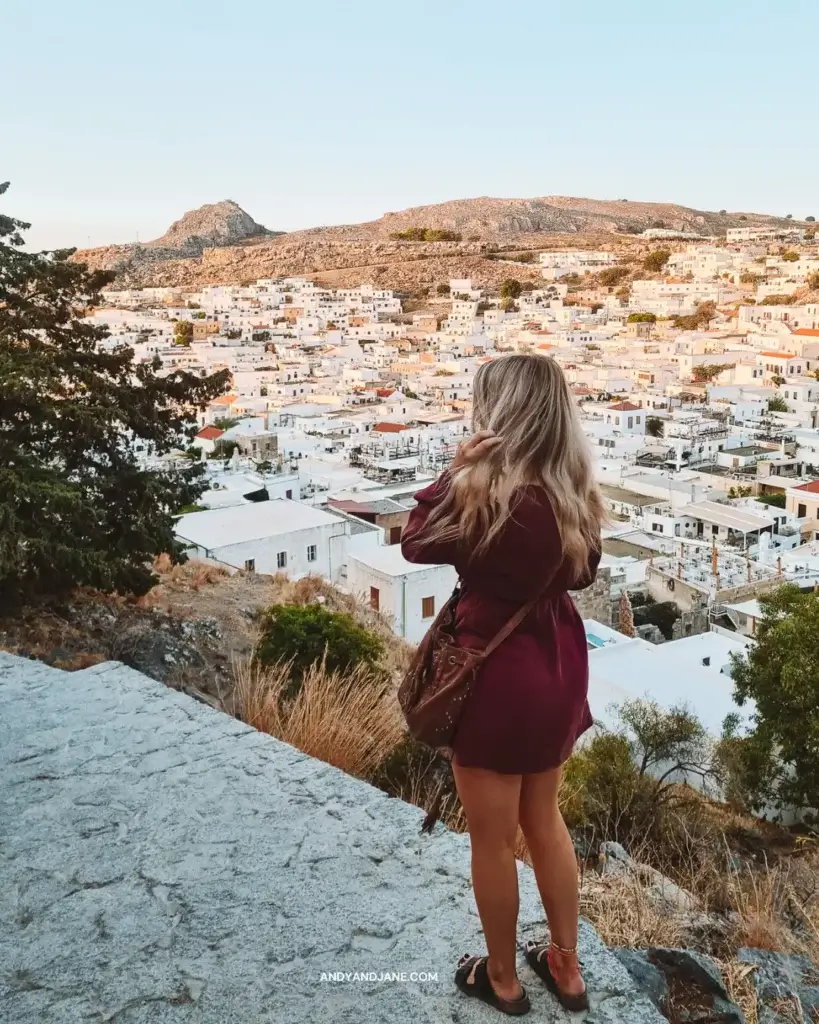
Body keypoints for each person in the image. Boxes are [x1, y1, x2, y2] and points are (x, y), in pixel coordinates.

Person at [401, 354, 605, 1016]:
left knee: (490, 840)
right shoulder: (574, 494)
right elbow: (581, 578)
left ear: (503, 415)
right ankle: (567, 971)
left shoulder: (484, 498)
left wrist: (456, 469)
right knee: (544, 823)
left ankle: (502, 978)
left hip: (494, 678)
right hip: (557, 667)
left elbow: (413, 543)